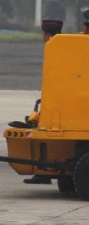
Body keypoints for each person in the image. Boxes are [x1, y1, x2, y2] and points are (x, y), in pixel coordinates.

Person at [23, 19, 64, 184]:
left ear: (47, 34)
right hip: (56, 98)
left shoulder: (54, 48)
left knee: (43, 134)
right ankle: (44, 173)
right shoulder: (62, 46)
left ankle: (43, 173)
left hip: (58, 101)